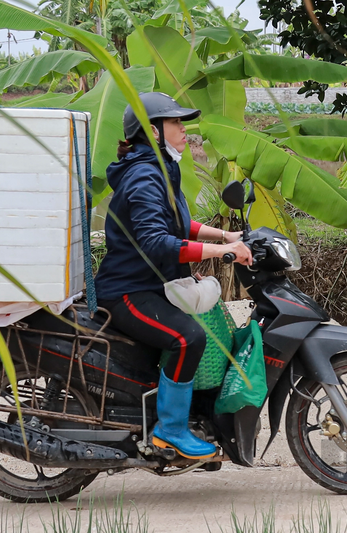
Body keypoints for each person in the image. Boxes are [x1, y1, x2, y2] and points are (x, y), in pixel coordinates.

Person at [95, 92, 252, 460]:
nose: (184, 129)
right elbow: (157, 242)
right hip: (128, 293)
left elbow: (179, 224)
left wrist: (224, 235)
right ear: (152, 131)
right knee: (188, 338)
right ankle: (170, 430)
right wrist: (221, 252)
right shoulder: (144, 177)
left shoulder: (160, 168)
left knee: (208, 325)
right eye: (176, 122)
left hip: (150, 285)